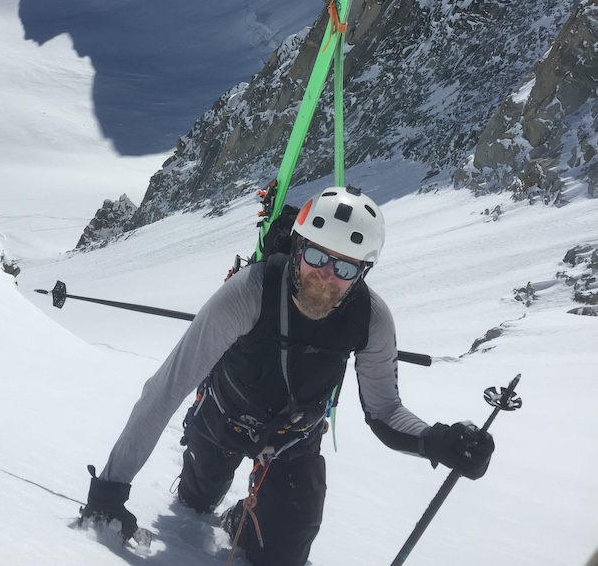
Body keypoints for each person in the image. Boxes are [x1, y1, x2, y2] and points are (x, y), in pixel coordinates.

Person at [80, 186, 494, 566]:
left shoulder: (371, 319)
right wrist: (110, 491)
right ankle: (210, 493)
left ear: (363, 272)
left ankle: (248, 516)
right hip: (222, 420)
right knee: (197, 499)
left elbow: (384, 409)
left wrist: (438, 441)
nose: (326, 276)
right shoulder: (249, 293)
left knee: (284, 556)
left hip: (293, 440)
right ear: (297, 249)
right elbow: (166, 390)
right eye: (316, 256)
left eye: (345, 268)